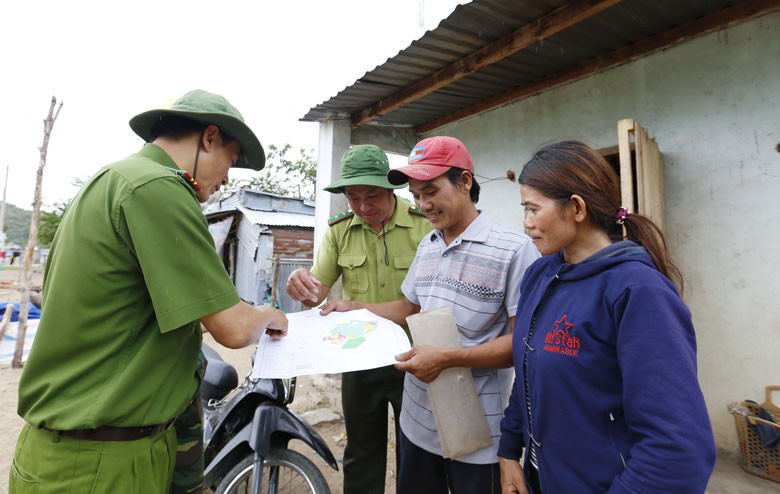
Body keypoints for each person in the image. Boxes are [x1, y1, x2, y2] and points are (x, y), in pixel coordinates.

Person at [10, 89, 288, 494]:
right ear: (209, 137)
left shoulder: (111, 181)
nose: (228, 176)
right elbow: (233, 328)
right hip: (102, 466)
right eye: (231, 159)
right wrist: (270, 314)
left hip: (73, 454)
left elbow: (131, 319)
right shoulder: (158, 189)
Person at [320, 136, 540, 494]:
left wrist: (449, 359)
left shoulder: (514, 250)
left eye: (431, 192)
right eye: (416, 194)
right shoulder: (429, 244)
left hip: (478, 432)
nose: (423, 204)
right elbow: (410, 308)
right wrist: (355, 307)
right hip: (418, 423)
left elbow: (523, 344)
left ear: (465, 182)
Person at [498, 141, 716, 494]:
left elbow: (679, 448)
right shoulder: (540, 274)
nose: (527, 223)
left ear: (577, 208)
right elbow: (528, 369)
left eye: (533, 209)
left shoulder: (638, 291)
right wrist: (509, 449)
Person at [285, 144, 431, 494]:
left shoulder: (423, 228)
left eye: (372, 196)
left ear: (391, 189)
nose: (363, 207)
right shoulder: (340, 231)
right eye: (353, 198)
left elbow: (430, 301)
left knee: (417, 451)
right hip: (359, 359)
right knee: (361, 450)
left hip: (414, 357)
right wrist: (301, 284)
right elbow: (317, 292)